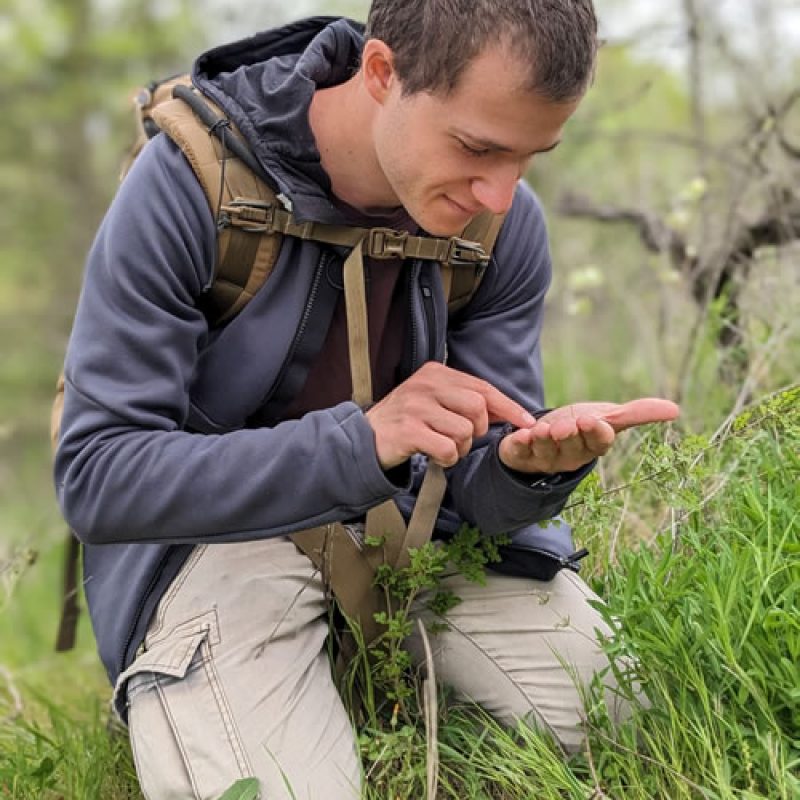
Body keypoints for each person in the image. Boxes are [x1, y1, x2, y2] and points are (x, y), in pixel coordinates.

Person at [54, 2, 679, 798]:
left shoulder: (503, 226)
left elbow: (484, 504)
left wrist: (526, 471)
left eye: (531, 156)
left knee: (624, 722)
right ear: (381, 73)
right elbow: (99, 477)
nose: (499, 193)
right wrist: (361, 443)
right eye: (477, 148)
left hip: (416, 536)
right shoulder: (189, 185)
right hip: (213, 550)